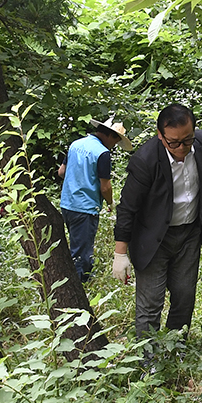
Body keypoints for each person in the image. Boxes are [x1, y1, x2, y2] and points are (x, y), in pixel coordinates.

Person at [111, 104, 202, 341]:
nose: (181, 148)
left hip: (189, 234)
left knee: (184, 296)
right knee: (150, 302)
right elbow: (127, 208)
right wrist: (120, 254)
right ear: (161, 136)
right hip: (153, 239)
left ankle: (177, 348)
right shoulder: (145, 160)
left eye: (187, 141)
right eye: (173, 143)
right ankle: (149, 360)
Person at [59, 116, 130, 284]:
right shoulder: (102, 153)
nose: (115, 145)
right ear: (111, 136)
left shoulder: (76, 144)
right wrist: (111, 203)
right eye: (116, 141)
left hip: (67, 205)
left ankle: (81, 281)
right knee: (81, 254)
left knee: (76, 247)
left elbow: (61, 172)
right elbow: (105, 187)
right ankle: (78, 289)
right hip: (85, 209)